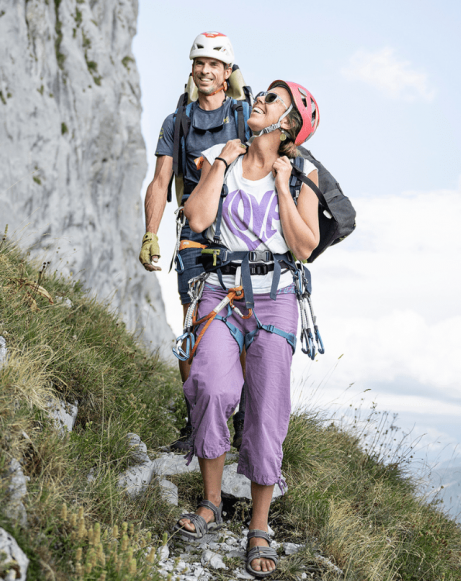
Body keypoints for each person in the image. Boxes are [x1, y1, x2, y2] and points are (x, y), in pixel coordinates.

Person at [173, 81, 321, 579]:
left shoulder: (303, 174)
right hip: (220, 293)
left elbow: (303, 247)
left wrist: (282, 185)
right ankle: (212, 503)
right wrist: (221, 162)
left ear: (291, 125)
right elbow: (196, 216)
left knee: (266, 409)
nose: (260, 100)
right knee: (210, 386)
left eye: (274, 100)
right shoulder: (223, 155)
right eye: (264, 95)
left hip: (276, 300)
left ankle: (259, 526)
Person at [140, 32, 250, 452]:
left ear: (226, 74)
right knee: (194, 326)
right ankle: (196, 421)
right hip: (193, 235)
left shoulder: (243, 116)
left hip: (240, 231)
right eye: (199, 62)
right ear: (192, 69)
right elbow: (160, 182)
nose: (205, 70)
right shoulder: (178, 121)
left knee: (242, 323)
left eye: (214, 65)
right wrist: (151, 232)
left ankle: (240, 424)